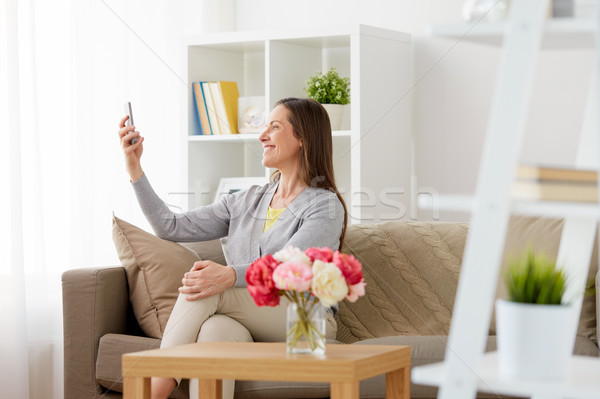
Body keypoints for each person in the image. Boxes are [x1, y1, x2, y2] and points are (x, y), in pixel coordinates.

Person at [118, 97, 348, 399]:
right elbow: (170, 226)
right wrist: (135, 167)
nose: (262, 135)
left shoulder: (324, 204)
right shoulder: (246, 200)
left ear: (303, 138)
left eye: (274, 127)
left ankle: (155, 388)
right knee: (214, 332)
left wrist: (228, 276)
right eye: (264, 126)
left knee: (209, 285)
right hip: (251, 320)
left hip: (305, 321)